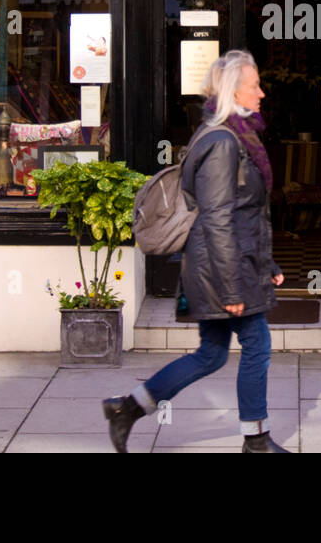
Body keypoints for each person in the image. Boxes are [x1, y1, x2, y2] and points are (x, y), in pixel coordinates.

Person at [103, 49, 290, 453]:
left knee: (211, 354)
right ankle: (256, 440)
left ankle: (127, 408)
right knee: (257, 345)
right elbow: (218, 219)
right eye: (255, 85)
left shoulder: (233, 136)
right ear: (234, 90)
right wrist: (232, 289)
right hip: (222, 270)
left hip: (225, 264)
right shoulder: (224, 142)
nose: (262, 93)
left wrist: (268, 262)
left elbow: (243, 213)